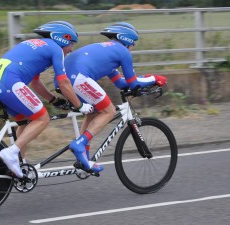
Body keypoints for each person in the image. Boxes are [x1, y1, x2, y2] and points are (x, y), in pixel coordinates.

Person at [0, 21, 93, 178]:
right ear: (62, 39)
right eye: (71, 43)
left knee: (25, 121)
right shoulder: (55, 49)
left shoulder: (36, 44)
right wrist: (80, 105)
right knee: (42, 119)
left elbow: (35, 81)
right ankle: (11, 153)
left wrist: (53, 100)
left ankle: (18, 163)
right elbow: (63, 82)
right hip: (9, 81)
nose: (71, 49)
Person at [63, 22, 167, 173]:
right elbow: (133, 84)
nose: (133, 47)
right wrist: (155, 78)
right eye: (133, 43)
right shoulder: (122, 52)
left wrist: (146, 79)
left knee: (94, 112)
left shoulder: (108, 52)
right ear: (127, 40)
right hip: (78, 77)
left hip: (65, 79)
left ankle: (83, 155)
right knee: (109, 111)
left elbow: (121, 83)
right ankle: (80, 144)